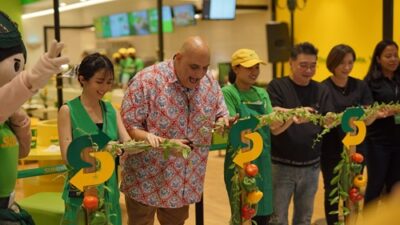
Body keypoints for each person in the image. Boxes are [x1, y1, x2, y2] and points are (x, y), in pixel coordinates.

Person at [120, 36, 229, 225]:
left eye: (205, 67)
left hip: (182, 180)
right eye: (194, 67)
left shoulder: (209, 82)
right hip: (145, 178)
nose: (200, 74)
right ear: (177, 58)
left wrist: (223, 120)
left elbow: (221, 111)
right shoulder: (146, 81)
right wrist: (165, 143)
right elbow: (129, 127)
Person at [0, 10, 68, 224]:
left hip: (8, 205)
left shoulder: (7, 118)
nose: (17, 72)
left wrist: (19, 121)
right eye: (15, 65)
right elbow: (9, 95)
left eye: (20, 66)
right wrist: (31, 79)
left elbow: (22, 151)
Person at [58, 53, 130, 225]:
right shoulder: (68, 111)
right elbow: (68, 156)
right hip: (82, 187)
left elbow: (127, 142)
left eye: (109, 82)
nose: (105, 88)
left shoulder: (111, 110)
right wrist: (106, 148)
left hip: (108, 187)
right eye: (99, 81)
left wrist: (156, 141)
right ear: (83, 79)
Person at [267, 42, 334, 225]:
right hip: (281, 165)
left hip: (311, 166)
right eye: (303, 65)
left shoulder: (321, 89)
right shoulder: (277, 86)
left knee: (304, 218)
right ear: (291, 62)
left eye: (313, 66)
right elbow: (273, 117)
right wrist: (296, 113)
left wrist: (329, 119)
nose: (309, 70)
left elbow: (328, 117)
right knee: (277, 218)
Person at [222, 49, 289, 225]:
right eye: (249, 67)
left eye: (257, 67)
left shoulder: (262, 93)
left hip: (262, 160)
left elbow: (273, 125)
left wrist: (291, 118)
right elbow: (233, 124)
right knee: (243, 212)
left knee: (263, 213)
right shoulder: (229, 93)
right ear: (236, 69)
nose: (254, 72)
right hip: (239, 161)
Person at [320, 44, 373, 225]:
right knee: (333, 189)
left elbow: (368, 115)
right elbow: (325, 119)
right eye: (342, 63)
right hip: (331, 148)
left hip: (357, 147)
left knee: (353, 188)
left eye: (350, 62)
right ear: (332, 64)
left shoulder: (360, 85)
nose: (347, 67)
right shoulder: (323, 88)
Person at [364, 40, 400, 205]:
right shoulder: (370, 82)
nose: (393, 59)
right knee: (375, 186)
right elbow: (367, 111)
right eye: (388, 56)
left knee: (394, 187)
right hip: (378, 142)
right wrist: (385, 112)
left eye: (395, 55)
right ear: (378, 59)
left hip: (398, 142)